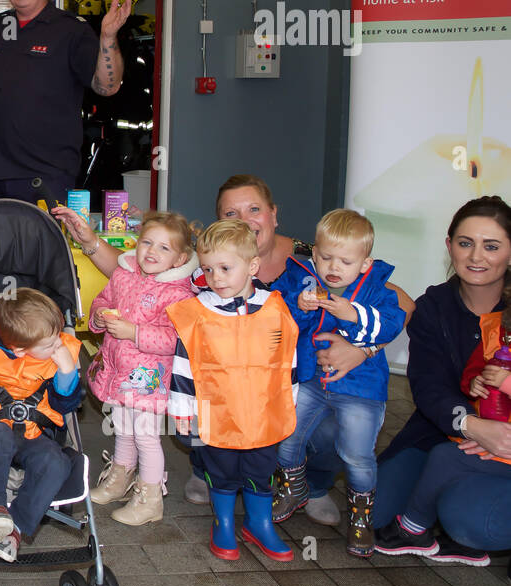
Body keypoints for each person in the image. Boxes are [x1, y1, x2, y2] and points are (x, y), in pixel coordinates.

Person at [55, 171, 414, 519]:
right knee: (201, 407)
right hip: (220, 382)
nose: (244, 219)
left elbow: (399, 304)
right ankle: (209, 470)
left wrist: (363, 349)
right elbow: (136, 273)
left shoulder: (315, 259)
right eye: (231, 213)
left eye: (253, 209)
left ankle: (313, 485)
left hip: (287, 380)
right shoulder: (209, 261)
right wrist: (89, 243)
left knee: (325, 424)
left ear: (274, 213)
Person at [371, 196, 511, 565]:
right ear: (449, 246)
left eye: (491, 246)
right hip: (441, 431)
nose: (476, 256)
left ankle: (459, 511)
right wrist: (472, 425)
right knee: (374, 512)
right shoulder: (433, 307)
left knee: (469, 522)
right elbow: (428, 387)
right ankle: (440, 508)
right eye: (465, 243)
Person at [268, 209, 405, 556]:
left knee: (357, 455)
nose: (333, 266)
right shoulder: (301, 277)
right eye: (326, 256)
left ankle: (361, 518)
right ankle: (295, 486)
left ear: (364, 263)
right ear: (314, 254)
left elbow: (391, 323)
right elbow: (276, 318)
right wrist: (299, 306)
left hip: (362, 389)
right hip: (314, 380)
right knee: (287, 434)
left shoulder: (376, 288)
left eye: (345, 260)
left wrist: (353, 314)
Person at [167, 220, 298, 563]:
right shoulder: (198, 314)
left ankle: (260, 523)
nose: (216, 277)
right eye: (208, 269)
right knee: (222, 470)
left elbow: (287, 360)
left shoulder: (275, 309)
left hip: (262, 413)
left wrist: (290, 402)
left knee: (260, 470)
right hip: (216, 413)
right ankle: (223, 522)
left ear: (252, 266)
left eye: (226, 268)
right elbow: (183, 365)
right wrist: (181, 409)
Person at [0, 0, 130, 201]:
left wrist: (108, 37)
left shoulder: (71, 31)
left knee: (43, 242)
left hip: (47, 175)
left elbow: (107, 86)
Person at [0, 288, 83, 562]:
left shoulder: (54, 354)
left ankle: (15, 528)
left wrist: (66, 372)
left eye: (58, 337)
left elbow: (65, 406)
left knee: (57, 462)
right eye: (50, 344)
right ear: (20, 350)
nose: (58, 346)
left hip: (32, 430)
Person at [86, 211, 198, 526]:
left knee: (146, 435)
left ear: (180, 258)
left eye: (164, 248)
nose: (152, 252)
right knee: (122, 426)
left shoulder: (178, 293)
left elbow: (176, 338)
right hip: (119, 368)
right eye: (147, 242)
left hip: (149, 378)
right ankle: (120, 479)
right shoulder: (123, 275)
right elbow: (102, 299)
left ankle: (150, 499)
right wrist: (98, 317)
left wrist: (134, 333)